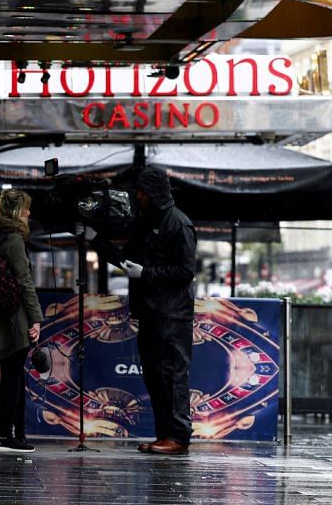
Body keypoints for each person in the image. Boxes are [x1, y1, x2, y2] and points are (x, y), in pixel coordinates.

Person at [94, 166, 198, 455]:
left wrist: (147, 273)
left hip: (172, 315)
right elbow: (128, 260)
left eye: (140, 191)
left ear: (151, 193)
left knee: (172, 375)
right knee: (155, 375)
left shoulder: (178, 224)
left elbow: (185, 271)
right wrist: (96, 241)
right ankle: (165, 434)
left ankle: (177, 435)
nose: (136, 196)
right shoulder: (148, 221)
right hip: (151, 312)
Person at [0, 189, 44, 454]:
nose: (29, 213)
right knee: (14, 377)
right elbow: (24, 281)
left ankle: (13, 434)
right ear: (18, 212)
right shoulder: (14, 240)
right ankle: (7, 436)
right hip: (14, 316)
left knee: (12, 375)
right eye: (26, 209)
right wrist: (36, 318)